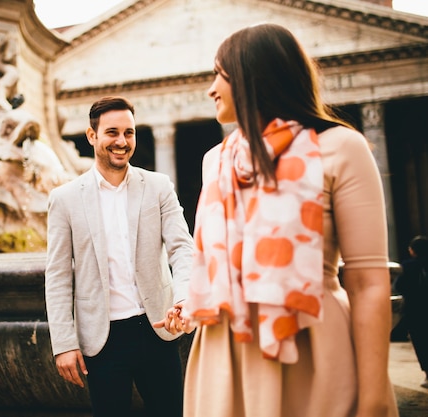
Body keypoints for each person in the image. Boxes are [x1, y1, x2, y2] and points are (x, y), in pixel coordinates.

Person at [154, 23, 398, 416]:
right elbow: (211, 265)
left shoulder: (341, 147)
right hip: (222, 355)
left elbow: (368, 281)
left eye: (219, 74)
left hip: (312, 345)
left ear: (254, 75)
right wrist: (191, 305)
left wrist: (372, 397)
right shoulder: (214, 161)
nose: (210, 88)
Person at [45, 95, 194, 417]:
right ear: (92, 136)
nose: (122, 142)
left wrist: (184, 297)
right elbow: (57, 274)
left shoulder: (158, 186)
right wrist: (64, 343)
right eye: (112, 132)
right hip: (102, 338)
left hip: (157, 329)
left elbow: (182, 247)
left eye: (129, 133)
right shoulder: (65, 199)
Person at [394, 235, 428, 388]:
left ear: (413, 251)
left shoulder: (408, 266)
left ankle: (427, 375)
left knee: (421, 342)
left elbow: (399, 286)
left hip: (416, 310)